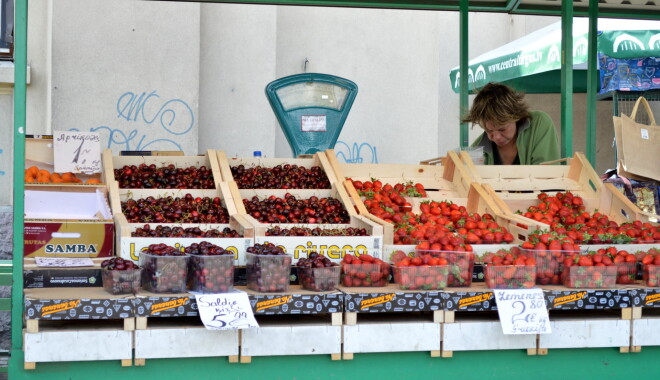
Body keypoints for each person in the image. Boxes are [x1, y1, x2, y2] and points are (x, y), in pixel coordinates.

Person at [462, 82, 560, 165]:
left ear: (516, 116)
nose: (496, 137)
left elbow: (547, 177)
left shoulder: (540, 124)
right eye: (489, 131)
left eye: (502, 129)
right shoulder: (476, 150)